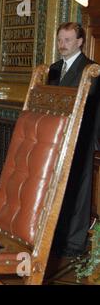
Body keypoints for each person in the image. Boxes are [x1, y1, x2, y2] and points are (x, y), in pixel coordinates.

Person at [48, 22, 100, 258]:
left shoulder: (91, 69)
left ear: (80, 42)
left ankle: (75, 243)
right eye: (60, 40)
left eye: (68, 40)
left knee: (78, 190)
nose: (62, 45)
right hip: (55, 137)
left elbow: (90, 108)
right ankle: (56, 238)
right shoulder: (54, 69)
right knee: (56, 188)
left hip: (80, 138)